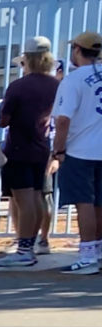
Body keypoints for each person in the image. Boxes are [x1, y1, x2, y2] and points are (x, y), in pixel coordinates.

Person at [0, 37, 63, 267]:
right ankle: (31, 245)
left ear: (28, 59)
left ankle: (24, 249)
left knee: (24, 202)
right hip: (42, 148)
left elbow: (3, 120)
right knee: (36, 199)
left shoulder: (19, 86)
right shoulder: (55, 85)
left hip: (18, 148)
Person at [54, 30, 102, 275]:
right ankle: (98, 252)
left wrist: (58, 149)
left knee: (84, 202)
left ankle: (87, 255)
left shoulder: (73, 80)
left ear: (77, 50)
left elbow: (63, 120)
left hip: (80, 150)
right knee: (99, 203)